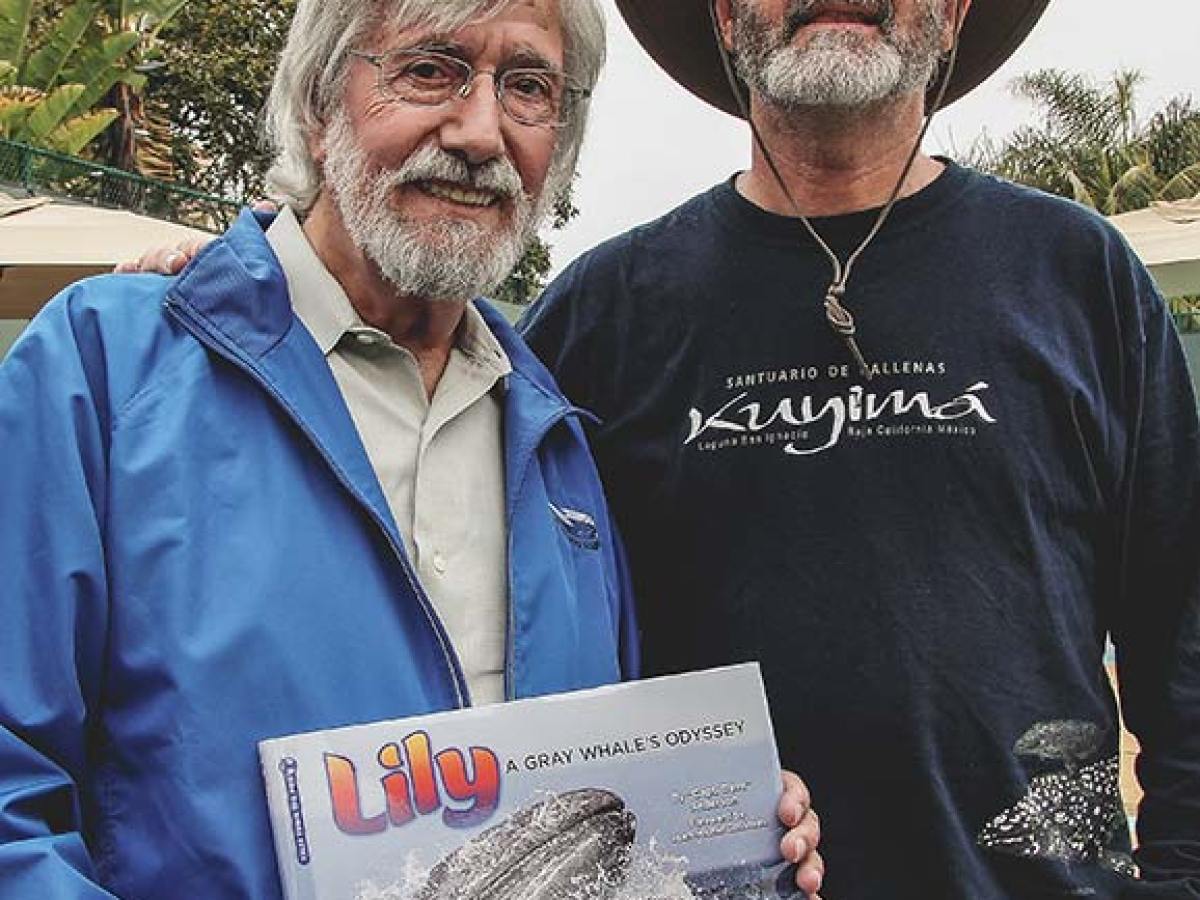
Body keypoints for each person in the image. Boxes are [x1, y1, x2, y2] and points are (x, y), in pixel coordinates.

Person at [0, 0, 823, 896]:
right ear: (318, 107)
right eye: (429, 70)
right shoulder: (106, 370)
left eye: (529, 88)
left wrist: (732, 834)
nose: (480, 132)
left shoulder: (558, 443)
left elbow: (595, 814)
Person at [519, 0, 1200, 898]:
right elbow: (519, 646)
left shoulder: (1081, 276)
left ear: (952, 16)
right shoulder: (598, 316)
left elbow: (1182, 635)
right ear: (724, 17)